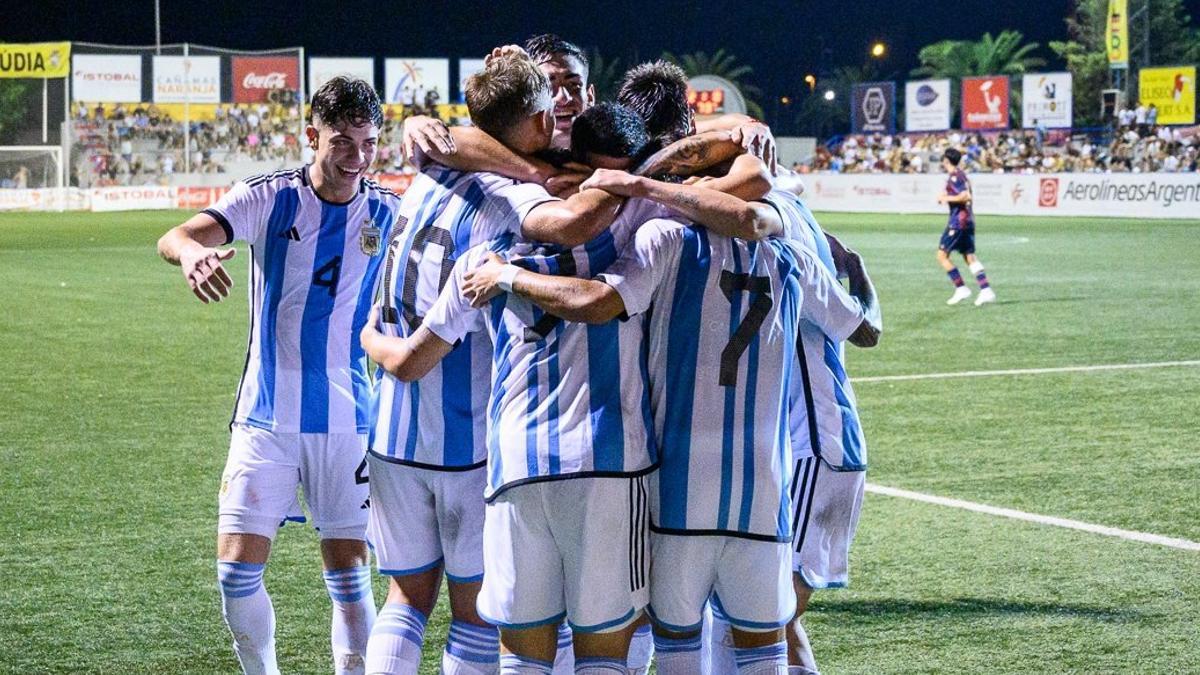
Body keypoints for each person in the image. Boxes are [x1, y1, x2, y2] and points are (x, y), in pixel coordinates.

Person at [362, 102, 778, 675]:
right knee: (605, 648)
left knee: (518, 651)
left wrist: (367, 340)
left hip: (513, 461)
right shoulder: (644, 223)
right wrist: (703, 150)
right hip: (609, 462)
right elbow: (750, 184)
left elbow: (412, 358)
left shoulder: (493, 237)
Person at [452, 171, 880, 675]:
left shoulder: (665, 238)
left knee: (673, 648)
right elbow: (865, 329)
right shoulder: (793, 256)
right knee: (766, 650)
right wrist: (860, 274)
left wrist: (509, 276)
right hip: (762, 495)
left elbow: (603, 302)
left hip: (677, 493)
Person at [156, 76, 400, 675]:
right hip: (265, 416)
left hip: (350, 419)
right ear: (311, 135)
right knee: (235, 572)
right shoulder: (270, 197)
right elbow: (178, 235)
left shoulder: (390, 211)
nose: (357, 157)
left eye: (368, 144)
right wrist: (193, 254)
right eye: (342, 141)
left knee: (350, 578)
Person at [936, 147, 994, 306]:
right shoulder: (962, 175)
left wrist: (945, 198)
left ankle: (961, 288)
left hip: (958, 222)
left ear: (946, 161)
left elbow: (965, 196)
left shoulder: (955, 177)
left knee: (942, 255)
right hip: (967, 221)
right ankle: (986, 289)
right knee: (969, 257)